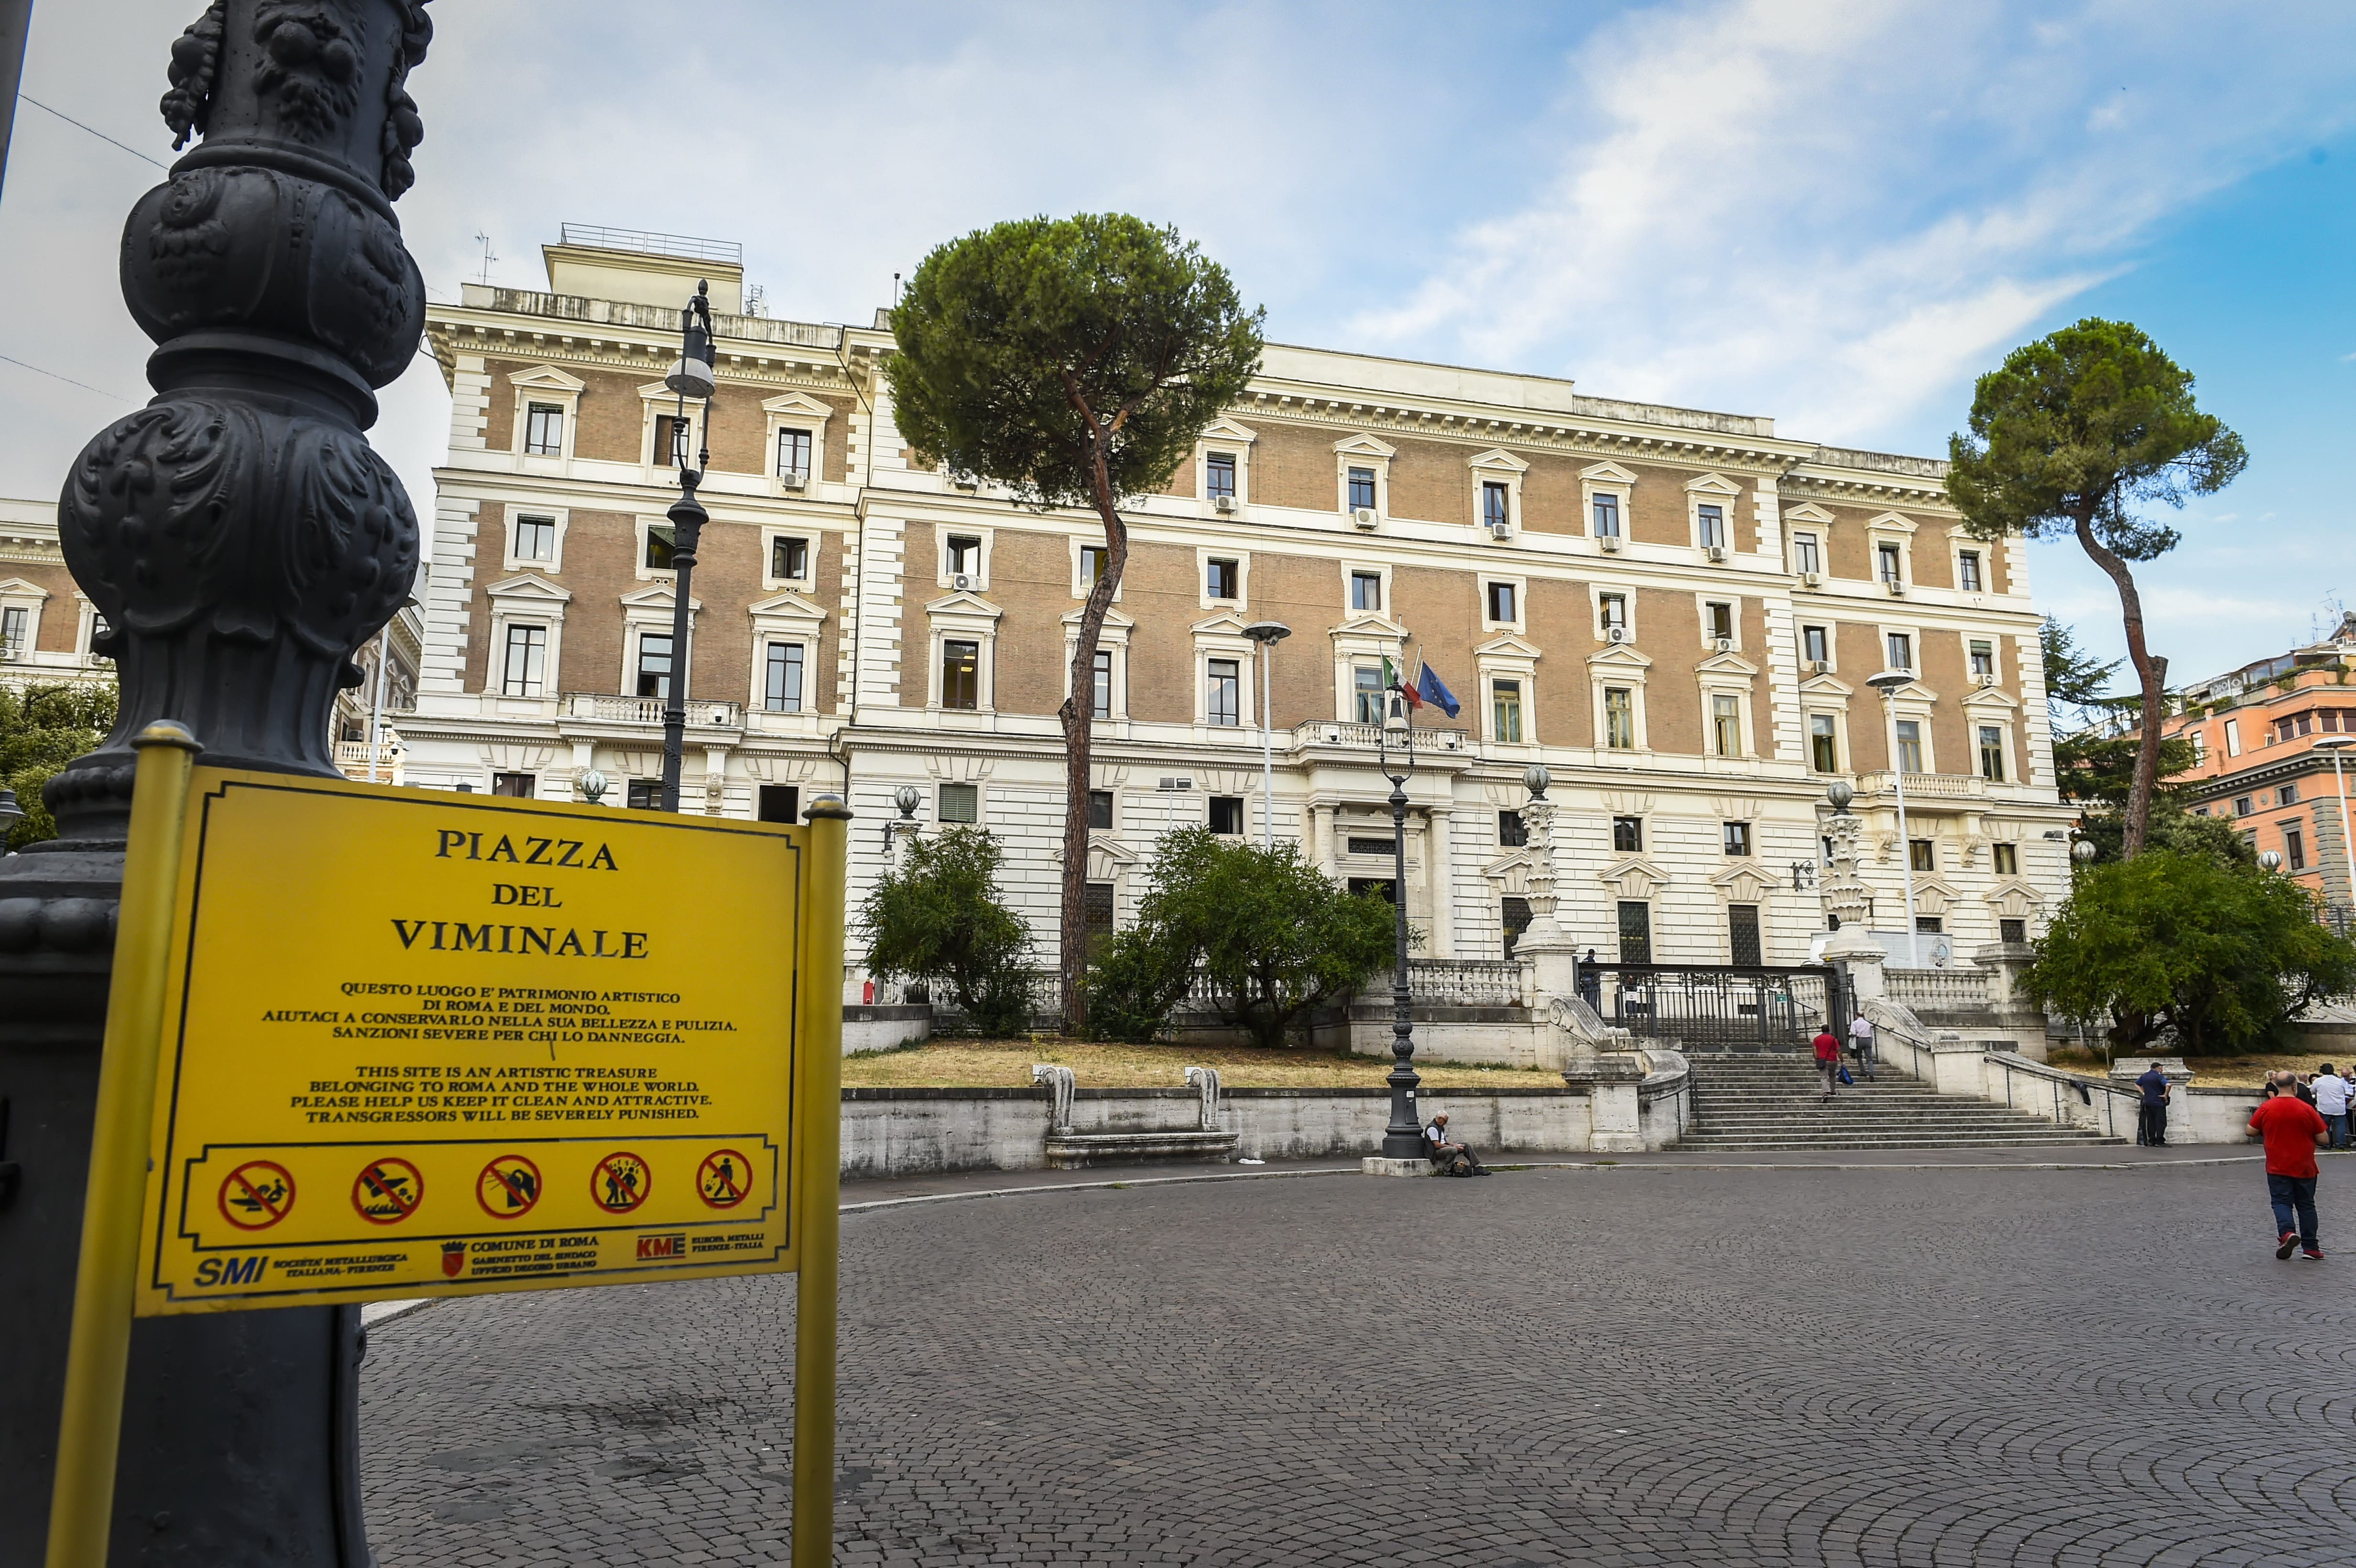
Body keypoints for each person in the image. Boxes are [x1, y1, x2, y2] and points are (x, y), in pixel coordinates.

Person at [2249, 1071, 2329, 1261]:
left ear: (2276, 1086)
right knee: (2306, 1205)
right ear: (2295, 1086)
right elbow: (2324, 1139)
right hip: (2305, 1165)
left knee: (2281, 1202)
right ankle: (2311, 1248)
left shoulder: (2266, 1108)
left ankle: (2287, 1233)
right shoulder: (2306, 1109)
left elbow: (2250, 1131)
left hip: (2277, 1165)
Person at [1423, 1112, 1491, 1176]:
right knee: (1453, 1150)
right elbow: (1437, 1145)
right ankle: (1447, 1170)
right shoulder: (1432, 1129)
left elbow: (1444, 1141)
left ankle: (1476, 1167)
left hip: (1443, 1148)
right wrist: (1453, 1147)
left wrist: (1455, 1145)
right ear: (1440, 1118)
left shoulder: (1440, 1127)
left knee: (1464, 1146)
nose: (1446, 1123)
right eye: (1445, 1121)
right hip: (1435, 1152)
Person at [2313, 1063, 2350, 1153]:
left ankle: (2327, 1144)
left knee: (2325, 1127)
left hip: (2325, 1107)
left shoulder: (2318, 1081)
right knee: (2340, 1126)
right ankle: (2340, 1144)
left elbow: (2313, 1090)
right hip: (2339, 1107)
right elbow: (2345, 1091)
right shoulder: (2340, 1081)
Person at [2135, 1061, 2171, 1147]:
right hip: (2158, 1102)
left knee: (2151, 1122)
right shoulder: (2159, 1076)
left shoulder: (2144, 1076)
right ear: (2158, 1068)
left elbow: (2137, 1084)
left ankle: (2152, 1140)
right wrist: (2165, 1095)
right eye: (2161, 1069)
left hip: (2148, 1102)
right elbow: (2169, 1085)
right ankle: (2160, 1141)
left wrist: (2143, 1093)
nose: (2162, 1071)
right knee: (2161, 1122)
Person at [1812, 1025, 1841, 1102]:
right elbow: (1838, 1050)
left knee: (1824, 1077)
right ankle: (1833, 1090)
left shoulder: (1817, 1039)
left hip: (1823, 1060)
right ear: (1829, 1030)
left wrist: (1817, 1059)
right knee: (1833, 1076)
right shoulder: (1833, 1039)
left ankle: (1825, 1093)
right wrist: (1842, 1060)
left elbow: (1815, 1050)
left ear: (1822, 1030)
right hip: (1833, 1060)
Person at [1846, 1011, 1877, 1081]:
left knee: (1859, 1056)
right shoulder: (1868, 1023)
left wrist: (1850, 1034)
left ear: (1857, 1015)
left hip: (1860, 1040)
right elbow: (1871, 1033)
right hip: (1868, 1040)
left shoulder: (1855, 1023)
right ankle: (1871, 1073)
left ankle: (1863, 1071)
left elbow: (1853, 1033)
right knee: (1869, 1058)